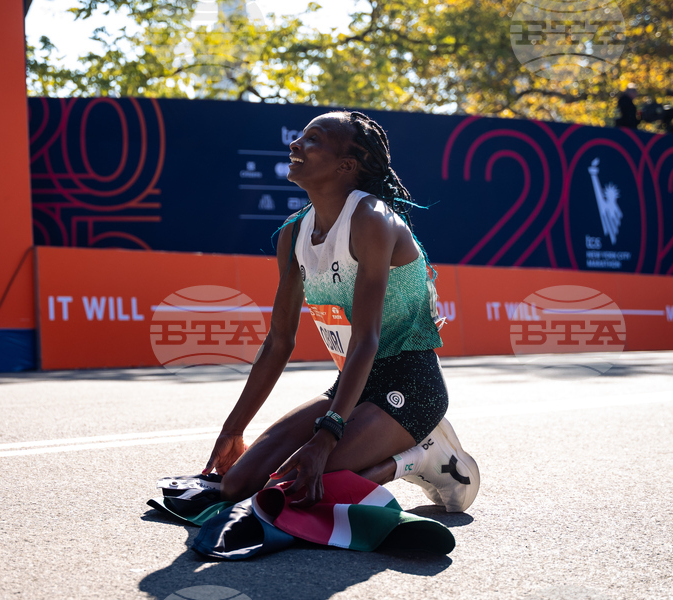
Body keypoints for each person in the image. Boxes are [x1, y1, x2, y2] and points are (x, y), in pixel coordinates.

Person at [204, 111, 479, 512]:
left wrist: (326, 435)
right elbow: (279, 341)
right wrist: (233, 429)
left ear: (346, 165)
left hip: (411, 384)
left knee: (291, 492)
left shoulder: (372, 220)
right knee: (236, 485)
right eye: (299, 137)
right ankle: (369, 446)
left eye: (312, 139)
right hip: (351, 386)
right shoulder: (293, 233)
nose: (296, 144)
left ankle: (419, 456)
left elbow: (366, 339)